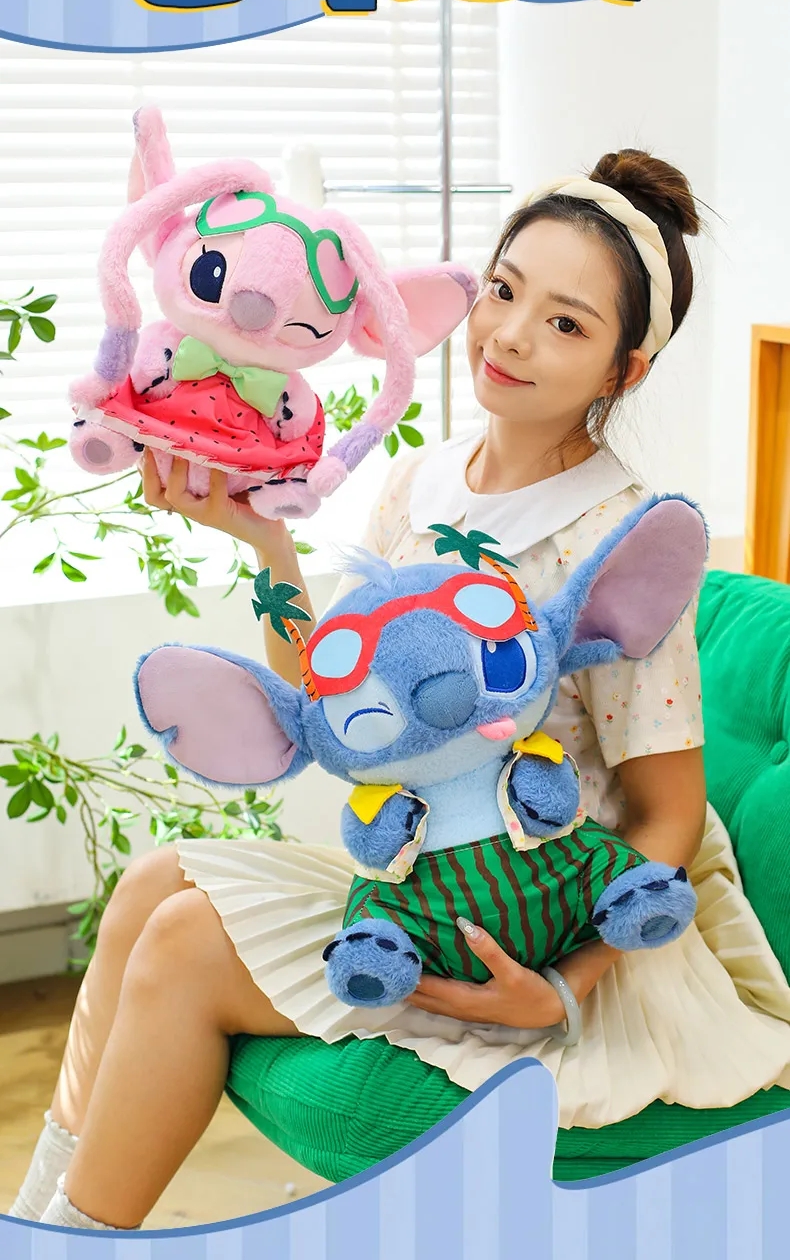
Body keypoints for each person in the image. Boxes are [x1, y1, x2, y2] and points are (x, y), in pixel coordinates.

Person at [11, 150, 790, 1231]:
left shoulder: (621, 535)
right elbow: (328, 696)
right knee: (151, 885)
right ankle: (40, 1221)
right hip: (430, 883)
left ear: (626, 369)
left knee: (183, 947)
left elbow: (669, 816)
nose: (509, 335)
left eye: (566, 324)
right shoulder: (421, 481)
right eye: (505, 290)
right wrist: (264, 541)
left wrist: (566, 985)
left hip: (546, 914)